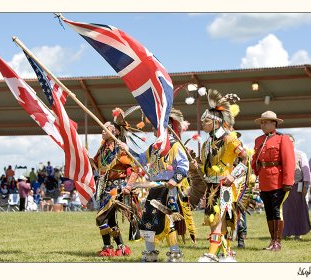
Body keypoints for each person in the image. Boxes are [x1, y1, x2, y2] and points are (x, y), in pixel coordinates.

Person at [133, 108, 196, 262]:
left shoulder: (175, 146)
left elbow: (183, 167)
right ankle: (150, 253)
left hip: (170, 190)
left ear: (165, 127)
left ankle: (174, 253)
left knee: (169, 221)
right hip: (154, 189)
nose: (153, 128)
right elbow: (139, 160)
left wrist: (174, 180)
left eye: (156, 125)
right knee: (148, 220)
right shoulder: (154, 148)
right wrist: (124, 148)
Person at [194, 90, 248, 262]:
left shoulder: (230, 139)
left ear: (217, 122)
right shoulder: (206, 143)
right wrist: (197, 166)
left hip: (225, 186)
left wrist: (232, 176)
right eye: (203, 121)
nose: (203, 123)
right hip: (211, 187)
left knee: (218, 220)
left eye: (207, 121)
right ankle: (225, 253)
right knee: (213, 221)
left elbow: (245, 159)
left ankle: (212, 253)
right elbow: (205, 169)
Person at [92, 110, 141, 257]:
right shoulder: (102, 149)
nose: (102, 130)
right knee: (110, 219)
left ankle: (108, 247)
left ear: (115, 132)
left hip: (116, 189)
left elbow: (135, 169)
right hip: (103, 187)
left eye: (106, 128)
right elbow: (97, 166)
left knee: (101, 217)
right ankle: (120, 247)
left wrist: (128, 186)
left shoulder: (121, 150)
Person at [251, 111, 295, 251]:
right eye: (261, 122)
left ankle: (277, 242)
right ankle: (272, 240)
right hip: (264, 180)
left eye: (265, 122)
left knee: (277, 210)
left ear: (274, 123)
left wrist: (288, 181)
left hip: (277, 179)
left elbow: (289, 161)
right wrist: (254, 173)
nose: (262, 125)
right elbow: (255, 159)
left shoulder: (283, 139)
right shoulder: (259, 140)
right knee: (269, 211)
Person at [282, 134, 311, 239]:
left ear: (294, 142)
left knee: (298, 210)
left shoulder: (300, 154)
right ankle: (286, 232)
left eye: (291, 141)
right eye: (287, 141)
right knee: (285, 211)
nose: (289, 143)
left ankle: (298, 234)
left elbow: (306, 172)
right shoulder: (281, 154)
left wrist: (305, 186)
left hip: (297, 186)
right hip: (284, 188)